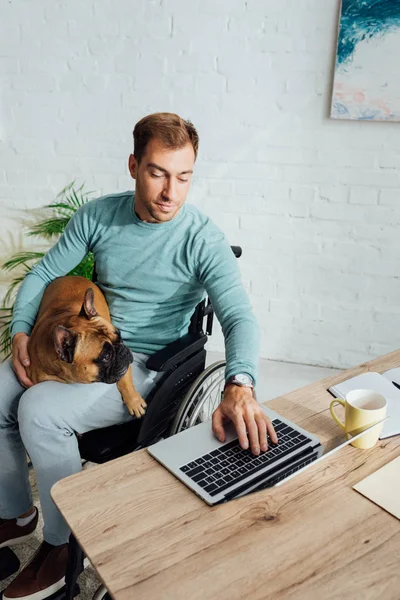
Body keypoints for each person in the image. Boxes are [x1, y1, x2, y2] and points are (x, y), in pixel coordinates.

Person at [0, 112, 277, 600]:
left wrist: (241, 383)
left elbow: (239, 318)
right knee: (0, 389)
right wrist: (22, 330)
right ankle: (16, 511)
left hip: (148, 364)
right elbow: (45, 276)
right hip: (88, 345)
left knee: (38, 411)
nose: (171, 191)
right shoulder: (99, 217)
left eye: (184, 176)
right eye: (158, 173)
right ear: (133, 165)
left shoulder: (200, 238)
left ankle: (64, 542)